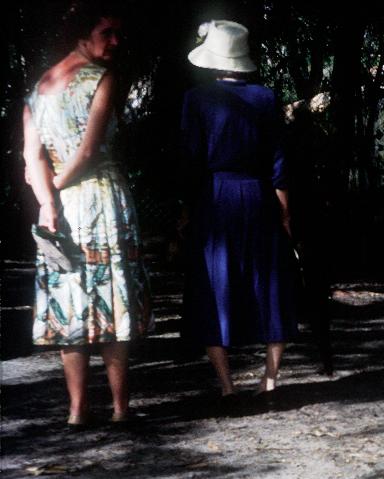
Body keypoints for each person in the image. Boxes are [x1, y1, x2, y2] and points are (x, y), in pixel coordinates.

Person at [21, 2, 151, 428]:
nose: (115, 41)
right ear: (81, 34)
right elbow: (90, 151)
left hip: (57, 208)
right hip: (99, 199)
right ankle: (118, 408)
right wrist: (54, 194)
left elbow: (32, 158)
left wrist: (46, 203)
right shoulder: (103, 79)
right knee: (110, 299)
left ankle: (78, 410)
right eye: (106, 32)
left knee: (69, 298)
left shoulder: (39, 88)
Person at [180, 20, 297, 400]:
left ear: (213, 60)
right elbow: (280, 160)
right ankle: (270, 379)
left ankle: (227, 385)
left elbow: (191, 162)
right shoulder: (266, 97)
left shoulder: (197, 99)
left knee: (213, 284)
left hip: (215, 198)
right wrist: (284, 211)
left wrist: (186, 210)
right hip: (260, 195)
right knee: (270, 284)